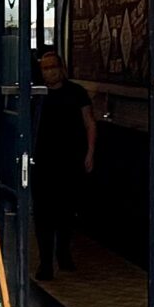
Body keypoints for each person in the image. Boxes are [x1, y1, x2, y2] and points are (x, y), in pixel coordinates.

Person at [30, 47, 95, 281]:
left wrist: (90, 152)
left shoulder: (76, 93)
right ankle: (46, 262)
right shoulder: (36, 95)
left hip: (71, 160)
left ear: (62, 69)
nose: (50, 72)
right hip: (42, 163)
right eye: (45, 69)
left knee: (67, 210)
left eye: (53, 67)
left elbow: (89, 122)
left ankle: (64, 253)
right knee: (43, 213)